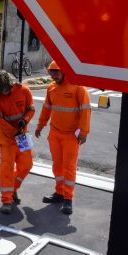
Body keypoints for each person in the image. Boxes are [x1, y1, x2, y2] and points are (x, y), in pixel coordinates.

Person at [34, 60, 91, 215]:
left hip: (71, 136)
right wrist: (40, 126)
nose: (53, 76)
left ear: (65, 71)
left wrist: (84, 132)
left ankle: (68, 198)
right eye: (51, 73)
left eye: (55, 72)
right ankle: (59, 193)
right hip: (55, 133)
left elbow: (86, 110)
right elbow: (46, 108)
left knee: (69, 167)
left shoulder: (78, 88)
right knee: (57, 165)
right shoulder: (51, 88)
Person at [0, 70, 35, 214]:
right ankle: (7, 200)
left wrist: (24, 120)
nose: (2, 93)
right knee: (7, 168)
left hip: (22, 135)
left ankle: (13, 188)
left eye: (4, 90)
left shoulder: (24, 90)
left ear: (10, 85)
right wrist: (12, 131)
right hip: (7, 138)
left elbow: (31, 109)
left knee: (27, 165)